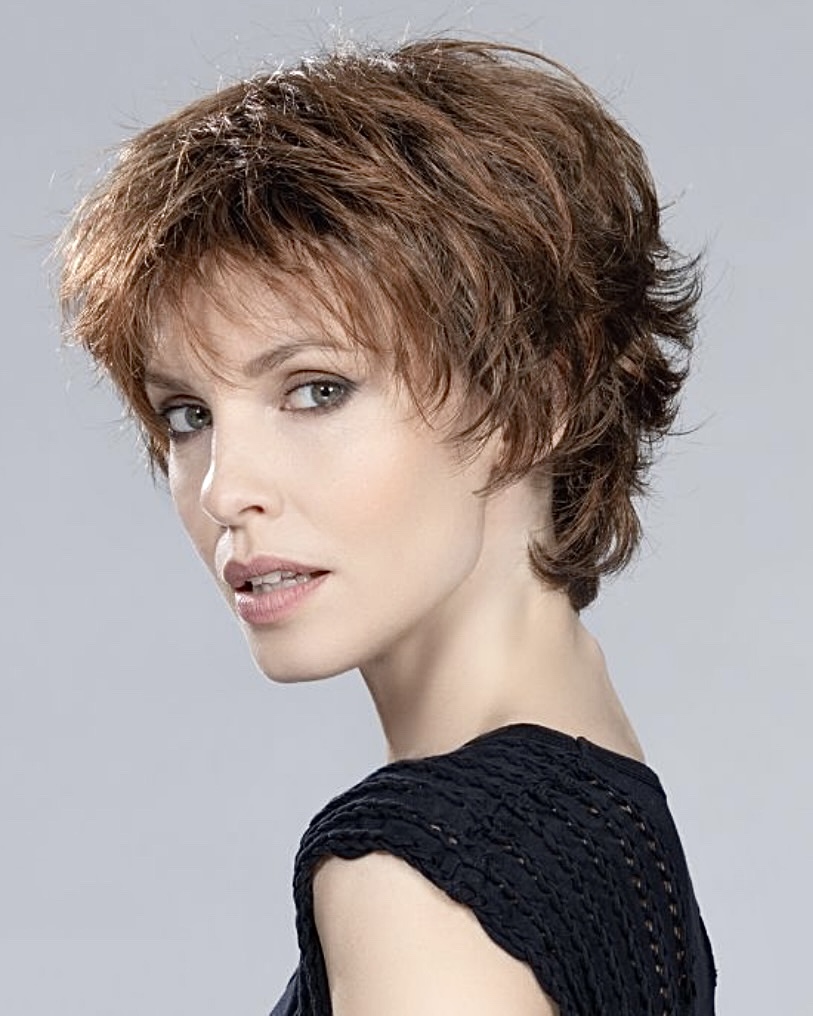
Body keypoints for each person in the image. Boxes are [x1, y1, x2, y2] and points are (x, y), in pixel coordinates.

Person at [59, 36, 717, 1015]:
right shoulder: (597, 794)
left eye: (316, 389)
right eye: (188, 414)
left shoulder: (419, 883)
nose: (224, 490)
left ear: (530, 402)